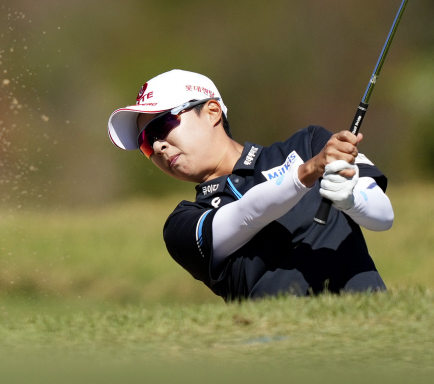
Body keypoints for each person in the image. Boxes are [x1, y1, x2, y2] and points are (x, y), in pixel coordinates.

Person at [107, 69, 393, 301]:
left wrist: (350, 199)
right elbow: (245, 214)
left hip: (370, 334)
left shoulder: (309, 143)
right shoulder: (182, 226)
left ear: (212, 112)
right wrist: (307, 172)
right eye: (145, 142)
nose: (157, 145)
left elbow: (383, 217)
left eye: (162, 125)